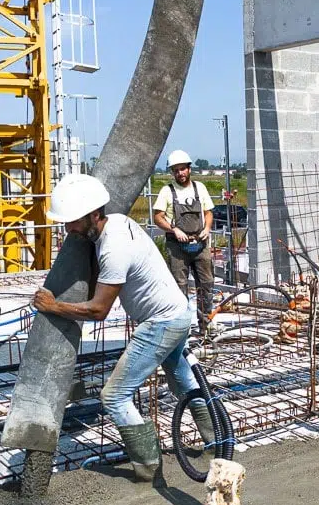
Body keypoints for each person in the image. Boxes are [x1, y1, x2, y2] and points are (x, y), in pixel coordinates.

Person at [32, 173, 215, 483]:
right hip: (178, 311)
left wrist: (53, 306)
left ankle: (149, 467)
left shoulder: (114, 248)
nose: (68, 229)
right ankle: (217, 441)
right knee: (184, 382)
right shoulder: (116, 222)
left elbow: (98, 310)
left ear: (93, 215)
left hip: (162, 323)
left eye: (73, 222)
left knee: (115, 396)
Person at [152, 149, 215, 332]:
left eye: (182, 169)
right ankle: (181, 329)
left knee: (206, 284)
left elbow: (208, 213)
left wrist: (207, 228)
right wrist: (174, 229)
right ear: (173, 172)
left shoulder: (199, 188)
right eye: (176, 170)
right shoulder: (167, 191)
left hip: (200, 243)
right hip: (177, 247)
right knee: (179, 287)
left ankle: (206, 324)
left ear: (189, 169)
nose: (180, 173)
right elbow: (158, 217)